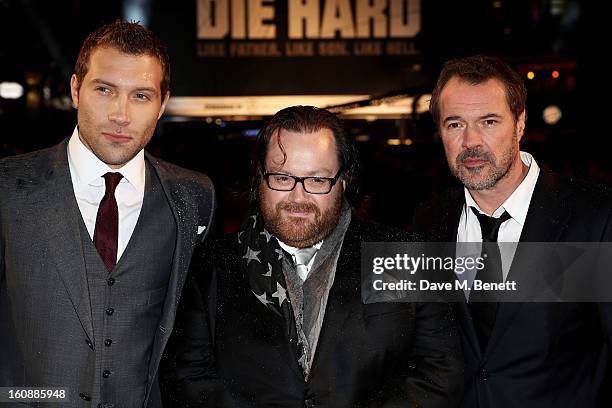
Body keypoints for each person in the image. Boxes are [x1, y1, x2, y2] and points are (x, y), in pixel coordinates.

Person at [163, 106, 463, 407]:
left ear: (343, 181)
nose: (298, 198)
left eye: (317, 181)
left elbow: (439, 371)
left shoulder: (408, 256)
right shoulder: (212, 263)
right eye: (282, 178)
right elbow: (188, 377)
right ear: (259, 179)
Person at [0, 21, 215, 407]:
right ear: (75, 89)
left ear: (162, 104)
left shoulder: (193, 195)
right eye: (105, 90)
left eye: (141, 96)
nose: (120, 114)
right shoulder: (7, 188)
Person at [413, 54, 612, 407]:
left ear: (520, 123)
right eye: (455, 124)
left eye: (488, 122)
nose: (471, 141)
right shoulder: (428, 222)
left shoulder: (594, 218)